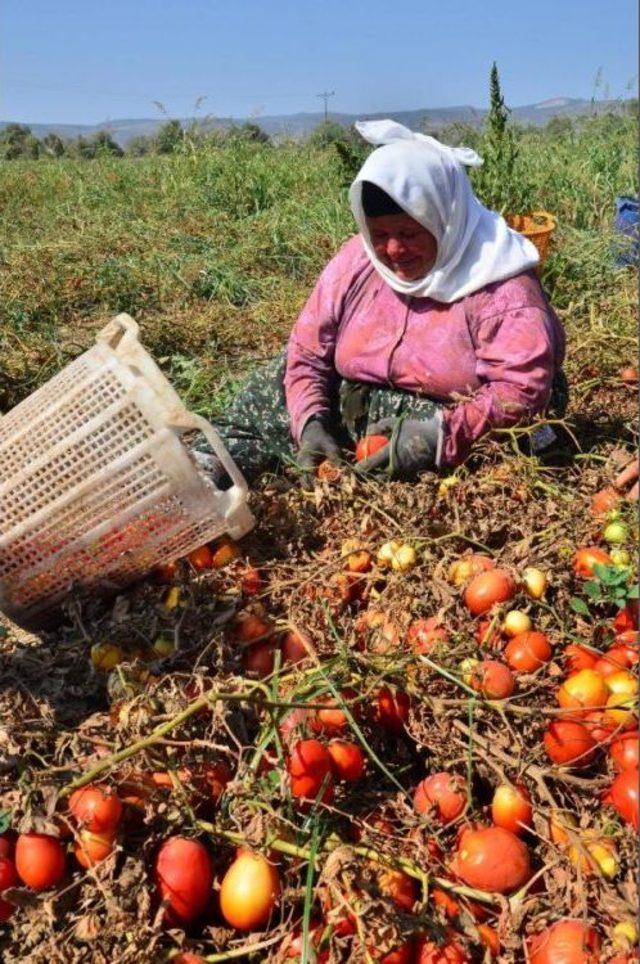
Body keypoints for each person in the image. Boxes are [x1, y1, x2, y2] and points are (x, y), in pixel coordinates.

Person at [195, 120, 566, 487]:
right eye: (379, 235)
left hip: (453, 421)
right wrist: (310, 422)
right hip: (358, 403)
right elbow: (308, 351)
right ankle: (211, 465)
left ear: (444, 221)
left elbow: (520, 390)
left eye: (408, 233)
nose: (392, 250)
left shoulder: (502, 284)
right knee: (277, 378)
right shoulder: (358, 260)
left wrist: (438, 437)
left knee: (502, 449)